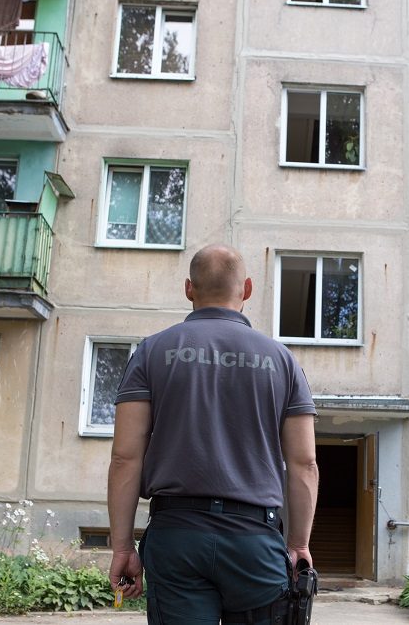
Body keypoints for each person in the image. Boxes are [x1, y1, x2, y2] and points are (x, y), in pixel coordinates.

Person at [107, 244, 319, 624]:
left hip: (177, 538)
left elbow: (125, 457)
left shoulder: (151, 352)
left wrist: (122, 546)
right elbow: (304, 463)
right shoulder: (282, 360)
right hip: (254, 541)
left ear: (189, 288)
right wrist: (298, 544)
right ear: (247, 289)